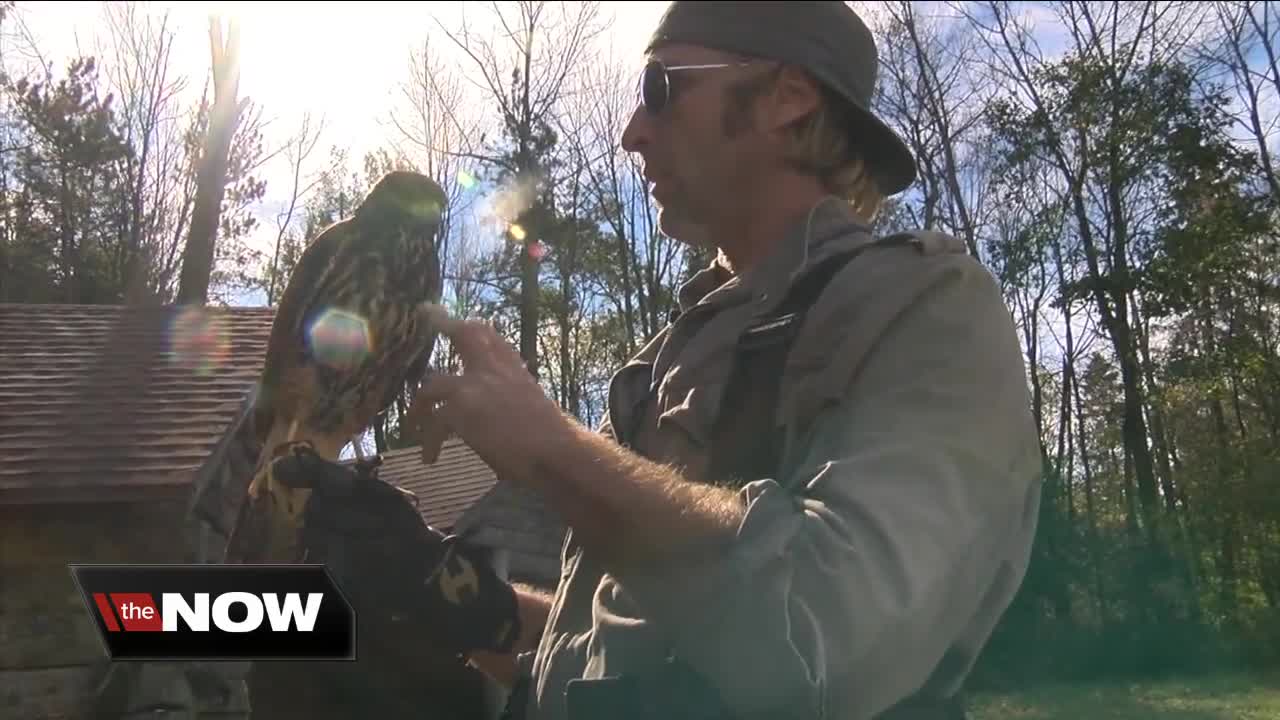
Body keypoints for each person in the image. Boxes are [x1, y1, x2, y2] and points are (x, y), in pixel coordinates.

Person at [290, 2, 1044, 719]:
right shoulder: (664, 361)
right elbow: (640, 653)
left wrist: (551, 449)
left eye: (662, 90)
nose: (631, 132)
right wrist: (448, 596)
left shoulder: (925, 306)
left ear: (786, 99)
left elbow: (817, 639)